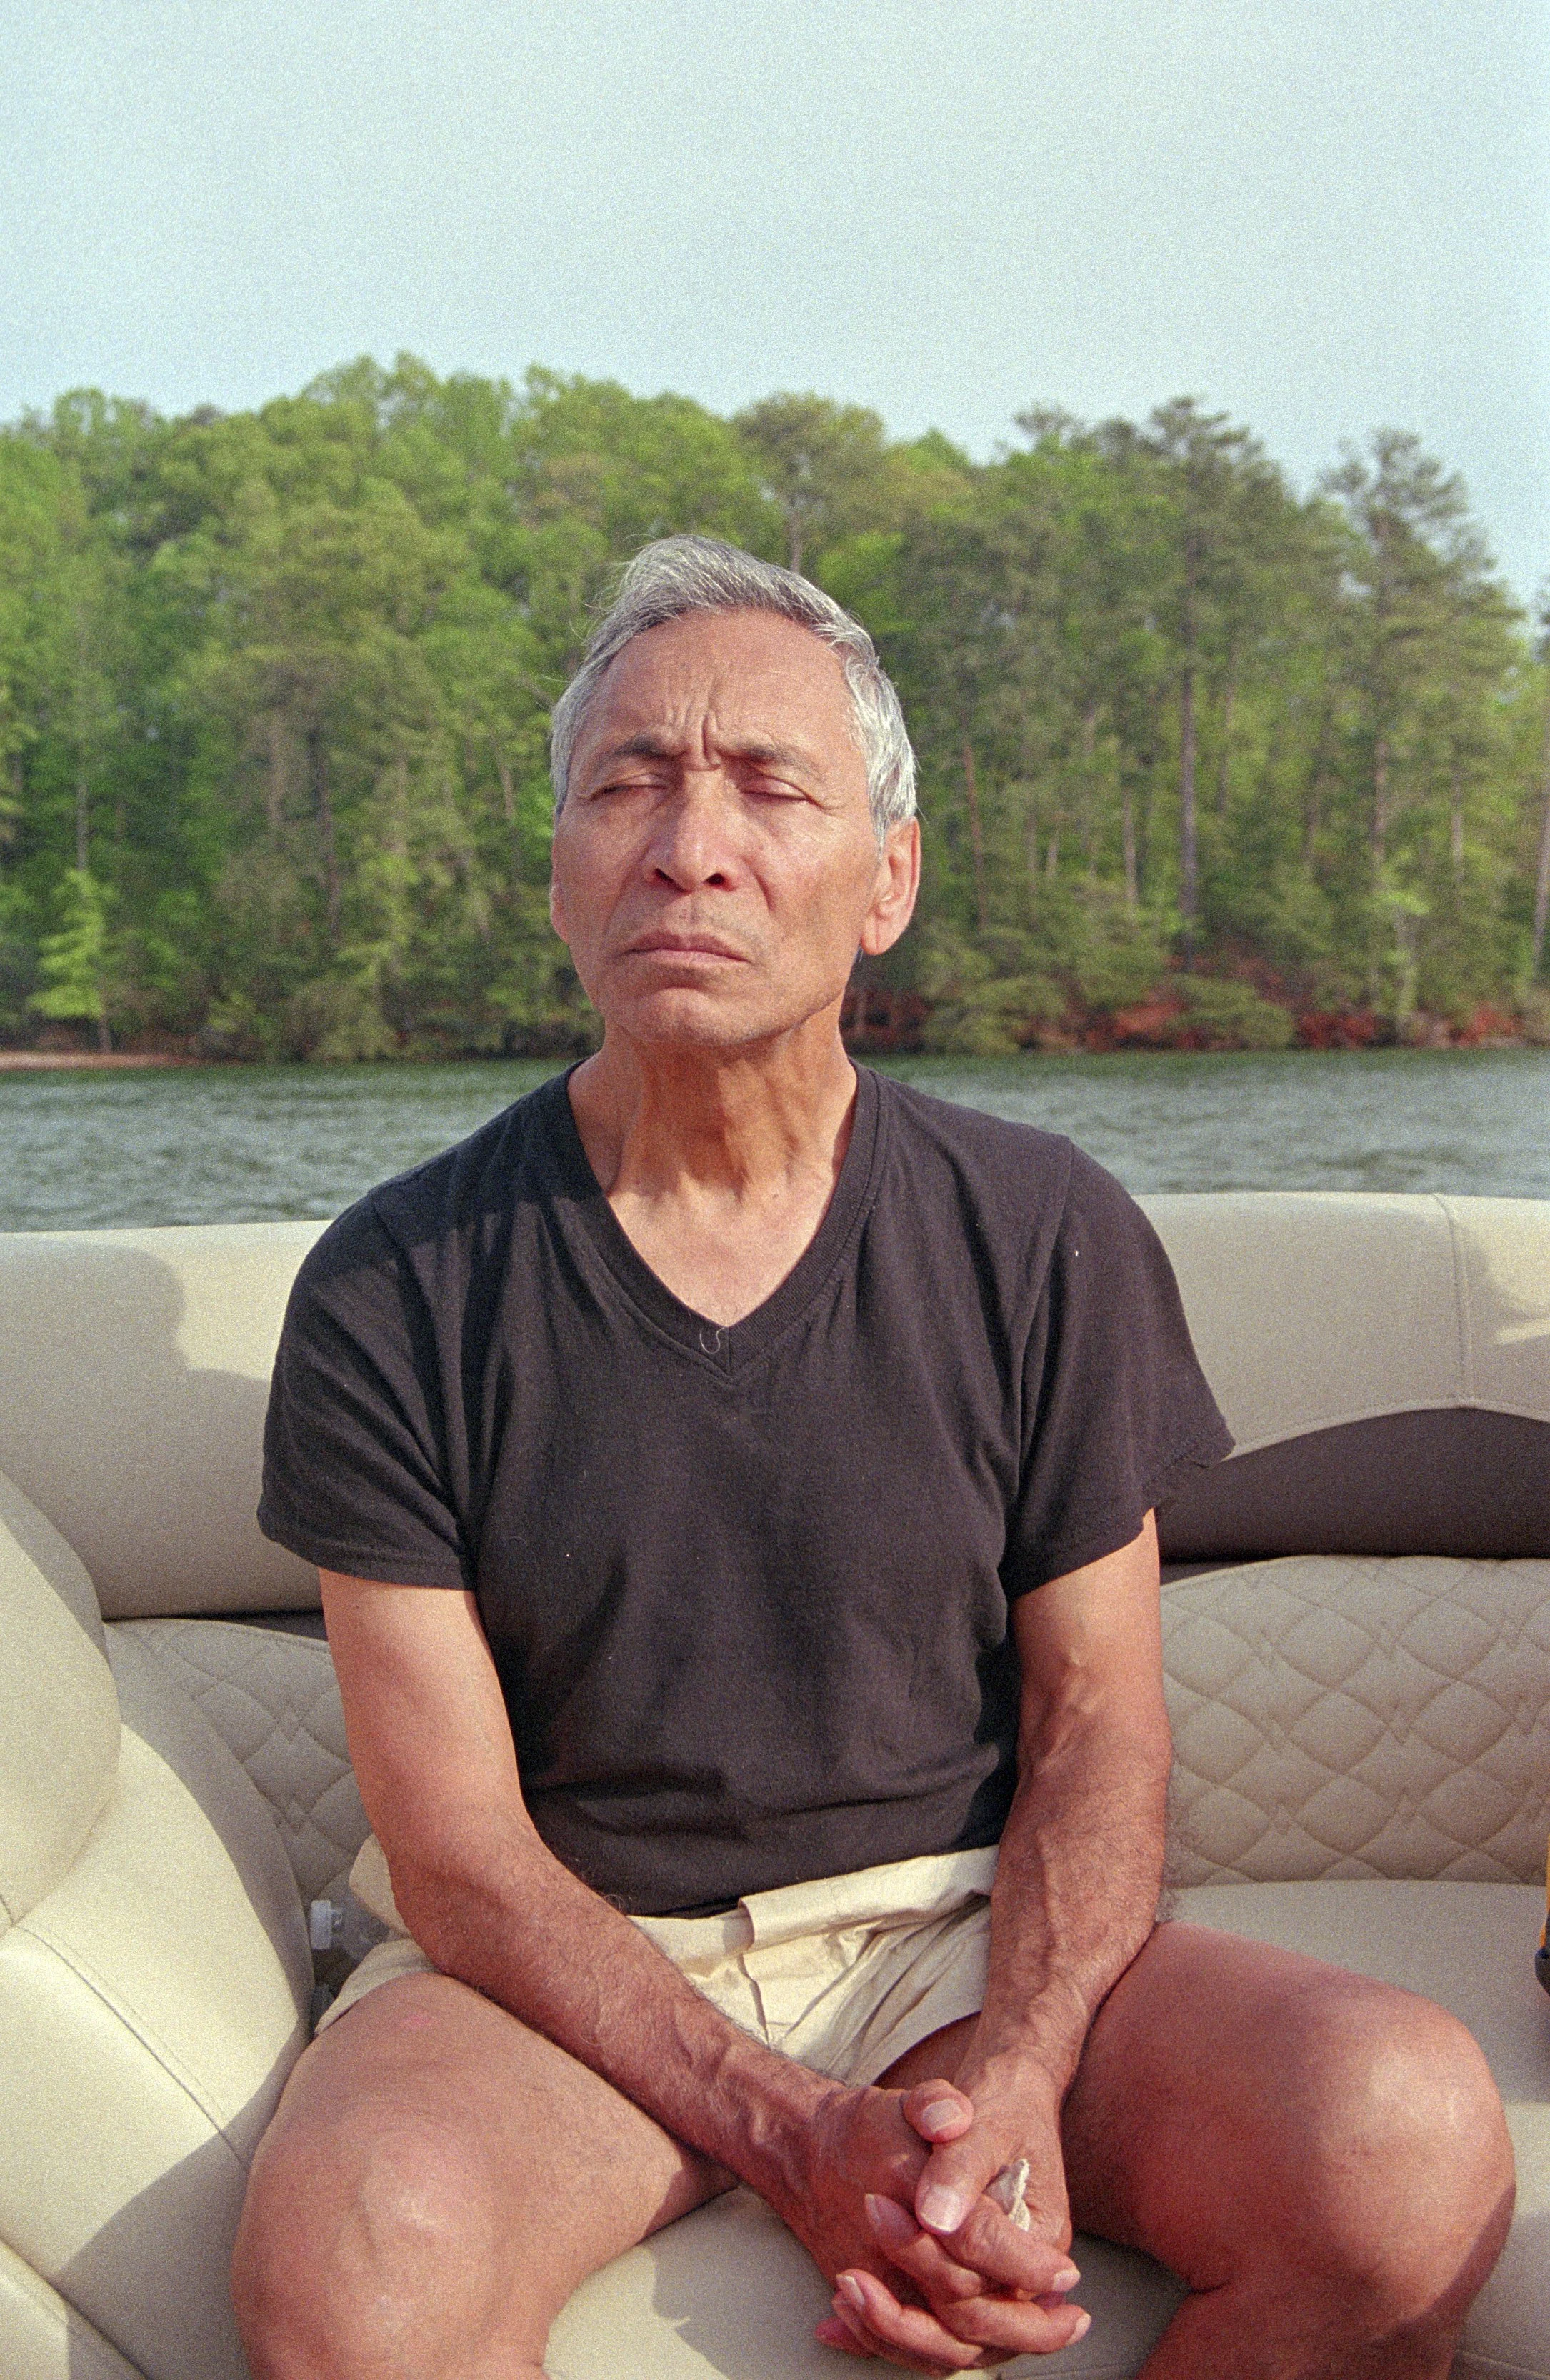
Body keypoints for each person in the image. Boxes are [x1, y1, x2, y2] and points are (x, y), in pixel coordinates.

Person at [235, 538, 1513, 2379]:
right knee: (361, 2262)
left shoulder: (1042, 1232)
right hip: (571, 1980)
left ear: (887, 880)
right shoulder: (394, 1287)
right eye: (628, 786)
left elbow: (1100, 1734)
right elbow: (461, 1858)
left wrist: (1018, 2066)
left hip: (953, 1923)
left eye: (770, 785)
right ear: (561, 877)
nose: (691, 843)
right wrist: (784, 2127)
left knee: (1401, 2138)